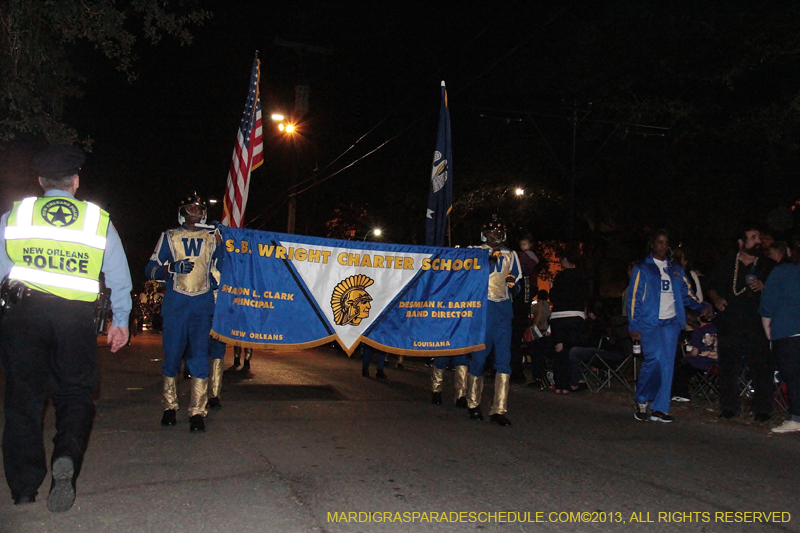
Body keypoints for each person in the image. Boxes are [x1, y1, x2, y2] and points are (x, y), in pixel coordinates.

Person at [0, 145, 132, 511]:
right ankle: (67, 457)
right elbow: (118, 276)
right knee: (75, 395)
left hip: (24, 316)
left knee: (22, 401)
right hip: (74, 319)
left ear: (41, 181)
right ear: (75, 181)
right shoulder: (97, 220)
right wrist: (120, 321)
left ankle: (24, 487)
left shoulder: (16, 216)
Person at [145, 193, 220, 432]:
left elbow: (226, 265)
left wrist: (226, 237)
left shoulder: (213, 237)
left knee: (199, 356)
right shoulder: (170, 236)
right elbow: (150, 268)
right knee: (172, 355)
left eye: (199, 207)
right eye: (190, 207)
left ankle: (197, 411)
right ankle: (169, 407)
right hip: (176, 305)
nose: (195, 210)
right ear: (181, 212)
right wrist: (171, 268)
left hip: (202, 304)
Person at [627, 229, 707, 422]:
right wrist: (634, 325)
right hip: (649, 323)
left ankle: (660, 408)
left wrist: (700, 307)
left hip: (671, 323)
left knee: (667, 364)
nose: (663, 246)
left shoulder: (675, 269)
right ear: (652, 245)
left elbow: (687, 293)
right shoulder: (642, 268)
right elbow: (634, 298)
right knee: (654, 360)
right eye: (659, 242)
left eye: (666, 242)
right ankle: (642, 398)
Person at [706, 224, 776, 421]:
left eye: (758, 237)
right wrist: (717, 299)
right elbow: (710, 286)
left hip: (758, 324)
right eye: (753, 237)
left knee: (762, 367)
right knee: (728, 367)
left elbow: (780, 292)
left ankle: (762, 409)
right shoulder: (726, 264)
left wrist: (764, 287)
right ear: (741, 242)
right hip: (730, 323)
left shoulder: (768, 265)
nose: (758, 241)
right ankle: (729, 406)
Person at [466, 217, 521, 426]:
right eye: (493, 232)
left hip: (503, 310)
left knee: (504, 360)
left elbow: (516, 282)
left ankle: (499, 409)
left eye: (500, 232)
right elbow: (466, 277)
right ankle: (473, 403)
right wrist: (486, 263)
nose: (496, 235)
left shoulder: (510, 254)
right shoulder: (473, 251)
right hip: (482, 310)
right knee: (479, 357)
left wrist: (513, 285)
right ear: (484, 235)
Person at [760, 237, 800, 433]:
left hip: (788, 330)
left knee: (793, 376)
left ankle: (796, 418)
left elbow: (768, 301)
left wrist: (767, 325)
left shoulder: (782, 272)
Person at [549, 245, 590, 395]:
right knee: (569, 349)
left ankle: (559, 383)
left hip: (558, 316)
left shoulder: (560, 277)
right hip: (575, 315)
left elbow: (553, 297)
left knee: (559, 349)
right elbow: (586, 295)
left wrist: (552, 288)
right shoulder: (582, 276)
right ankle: (568, 383)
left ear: (566, 260)